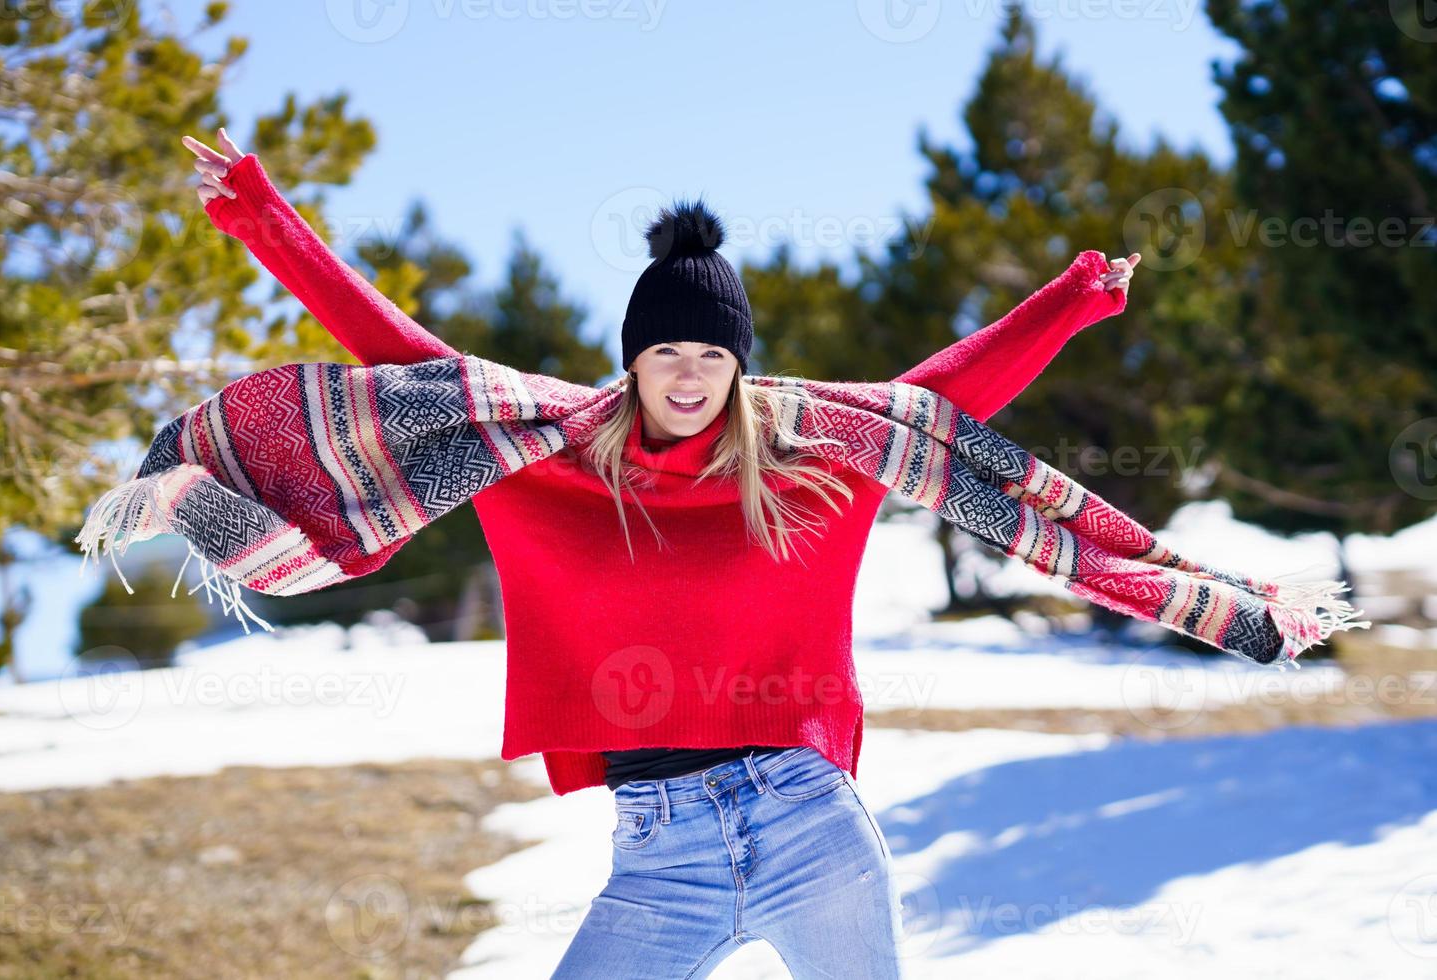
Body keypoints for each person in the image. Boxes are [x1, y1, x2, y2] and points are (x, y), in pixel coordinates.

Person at [182, 128, 1137, 978]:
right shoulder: (544, 460)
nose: (691, 375)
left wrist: (1074, 301)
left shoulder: (811, 466)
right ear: (633, 357)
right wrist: (267, 222)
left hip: (810, 829)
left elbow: (941, 400)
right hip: (657, 857)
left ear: (740, 365)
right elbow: (411, 365)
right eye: (669, 351)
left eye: (715, 355)